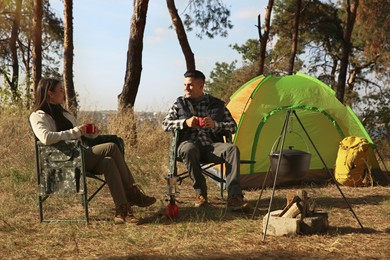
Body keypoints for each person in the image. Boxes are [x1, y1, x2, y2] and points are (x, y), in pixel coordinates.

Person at [30, 78, 156, 224]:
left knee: (108, 162)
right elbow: (46, 138)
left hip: (79, 156)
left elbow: (78, 135)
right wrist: (75, 132)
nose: (64, 92)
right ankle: (132, 192)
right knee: (111, 147)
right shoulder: (37, 116)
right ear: (50, 94)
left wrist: (91, 133)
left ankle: (122, 211)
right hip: (61, 161)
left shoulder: (65, 113)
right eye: (60, 90)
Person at [162, 70, 248, 210]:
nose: (186, 88)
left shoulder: (217, 104)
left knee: (232, 149)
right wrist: (185, 123)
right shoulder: (179, 104)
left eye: (190, 85)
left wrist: (215, 125)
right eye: (185, 85)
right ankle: (200, 193)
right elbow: (165, 124)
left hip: (211, 147)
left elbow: (233, 126)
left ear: (201, 86)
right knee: (189, 149)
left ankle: (234, 196)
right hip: (188, 145)